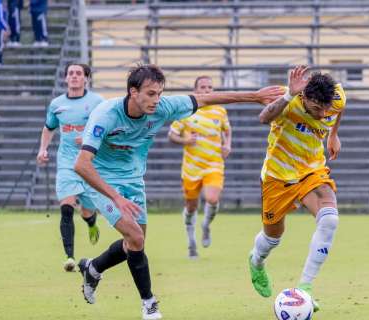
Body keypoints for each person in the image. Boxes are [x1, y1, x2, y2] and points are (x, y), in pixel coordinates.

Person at [74, 64, 283, 320]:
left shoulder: (163, 107)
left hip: (133, 180)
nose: (156, 100)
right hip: (101, 179)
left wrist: (255, 96)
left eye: (160, 93)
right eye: (150, 94)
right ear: (133, 92)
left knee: (134, 244)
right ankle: (149, 305)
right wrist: (115, 197)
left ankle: (93, 268)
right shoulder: (106, 114)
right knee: (137, 238)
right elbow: (81, 164)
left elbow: (206, 99)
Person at [247, 65, 346, 313]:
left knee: (330, 219)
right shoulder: (289, 98)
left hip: (312, 170)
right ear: (305, 97)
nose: (323, 114)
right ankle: (256, 261)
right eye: (316, 109)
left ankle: (306, 288)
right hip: (278, 175)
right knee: (272, 237)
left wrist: (333, 134)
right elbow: (263, 118)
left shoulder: (335, 99)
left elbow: (339, 109)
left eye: (326, 109)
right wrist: (288, 95)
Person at [37, 63, 105, 272]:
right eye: (71, 73)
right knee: (66, 206)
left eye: (79, 73)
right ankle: (70, 257)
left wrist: (87, 138)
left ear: (86, 78)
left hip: (90, 162)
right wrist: (43, 149)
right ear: (65, 78)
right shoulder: (57, 104)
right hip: (67, 163)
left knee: (86, 210)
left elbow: (106, 128)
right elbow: (49, 128)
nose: (74, 76)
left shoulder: (97, 102)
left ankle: (91, 222)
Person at [167, 75, 232, 259]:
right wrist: (185, 140)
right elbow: (172, 135)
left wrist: (227, 144)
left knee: (212, 199)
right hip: (191, 169)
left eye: (210, 87)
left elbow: (227, 130)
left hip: (214, 164)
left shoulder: (220, 110)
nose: (206, 90)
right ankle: (191, 243)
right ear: (196, 90)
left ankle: (206, 226)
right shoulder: (187, 111)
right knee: (191, 206)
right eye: (203, 87)